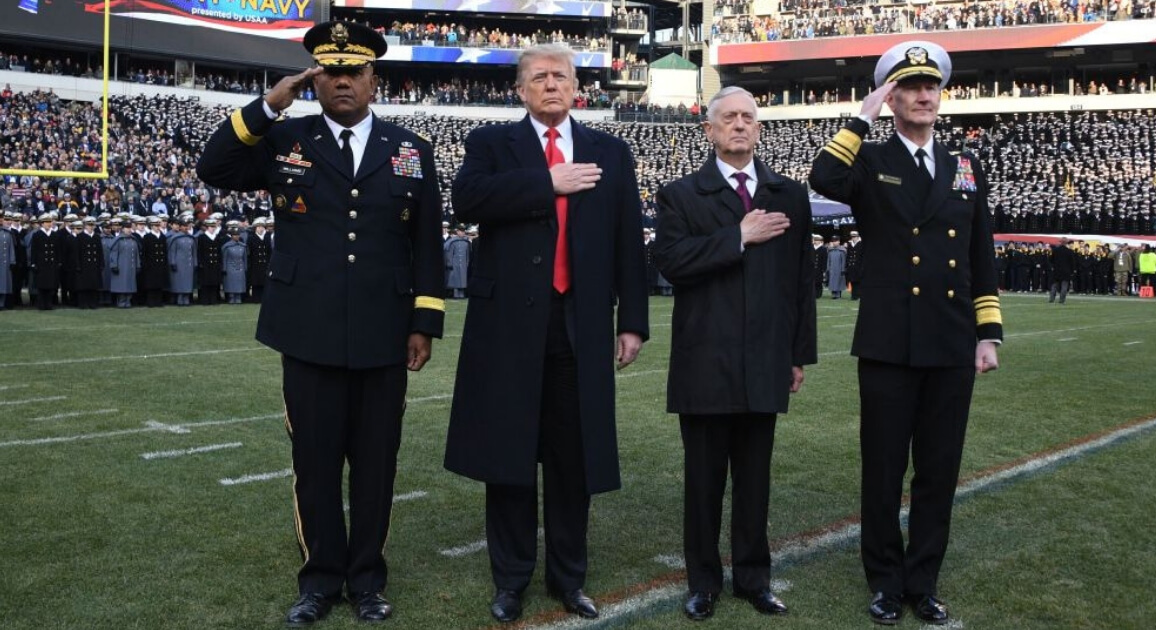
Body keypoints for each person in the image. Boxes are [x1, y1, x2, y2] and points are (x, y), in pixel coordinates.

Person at [196, 20, 446, 625]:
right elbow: (215, 168)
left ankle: (367, 582)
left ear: (372, 79)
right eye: (329, 72)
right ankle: (319, 581)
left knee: (376, 464)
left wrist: (424, 322)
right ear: (315, 79)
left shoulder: (412, 148)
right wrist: (267, 106)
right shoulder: (287, 139)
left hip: (385, 332)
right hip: (306, 330)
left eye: (353, 72)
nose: (341, 82)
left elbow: (427, 246)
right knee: (314, 462)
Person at [443, 43, 649, 624]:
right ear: (520, 89)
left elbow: (628, 239)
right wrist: (546, 182)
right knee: (508, 454)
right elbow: (467, 199)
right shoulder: (491, 144)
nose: (551, 84)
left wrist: (632, 320)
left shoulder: (611, 150)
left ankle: (569, 578)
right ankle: (510, 581)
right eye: (539, 77)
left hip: (578, 324)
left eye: (560, 75)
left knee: (572, 458)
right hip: (508, 325)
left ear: (577, 84)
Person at [809, 40, 1003, 626]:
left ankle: (924, 582)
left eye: (931, 87)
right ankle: (885, 583)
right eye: (909, 87)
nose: (923, 95)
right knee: (884, 467)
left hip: (948, 340)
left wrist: (987, 332)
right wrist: (858, 119)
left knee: (939, 469)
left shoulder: (964, 167)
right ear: (890, 97)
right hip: (890, 339)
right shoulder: (869, 159)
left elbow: (980, 256)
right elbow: (823, 178)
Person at [652, 85, 817, 621]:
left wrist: (798, 355)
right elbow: (671, 262)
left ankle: (754, 578)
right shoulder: (680, 194)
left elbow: (800, 281)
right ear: (710, 130)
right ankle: (702, 582)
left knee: (755, 483)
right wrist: (737, 236)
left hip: (766, 360)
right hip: (705, 361)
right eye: (729, 118)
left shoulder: (788, 194)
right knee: (703, 485)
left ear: (759, 129)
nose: (740, 125)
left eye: (749, 117)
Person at [1048, 237, 1075, 304]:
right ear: (1066, 243)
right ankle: (1062, 300)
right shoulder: (1070, 251)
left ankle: (1051, 299)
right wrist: (1072, 271)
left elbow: (1050, 260)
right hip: (1066, 272)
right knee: (1064, 286)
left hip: (1056, 271)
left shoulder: (1055, 250)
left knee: (1054, 285)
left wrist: (1053, 266)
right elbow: (1072, 263)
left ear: (1060, 242)